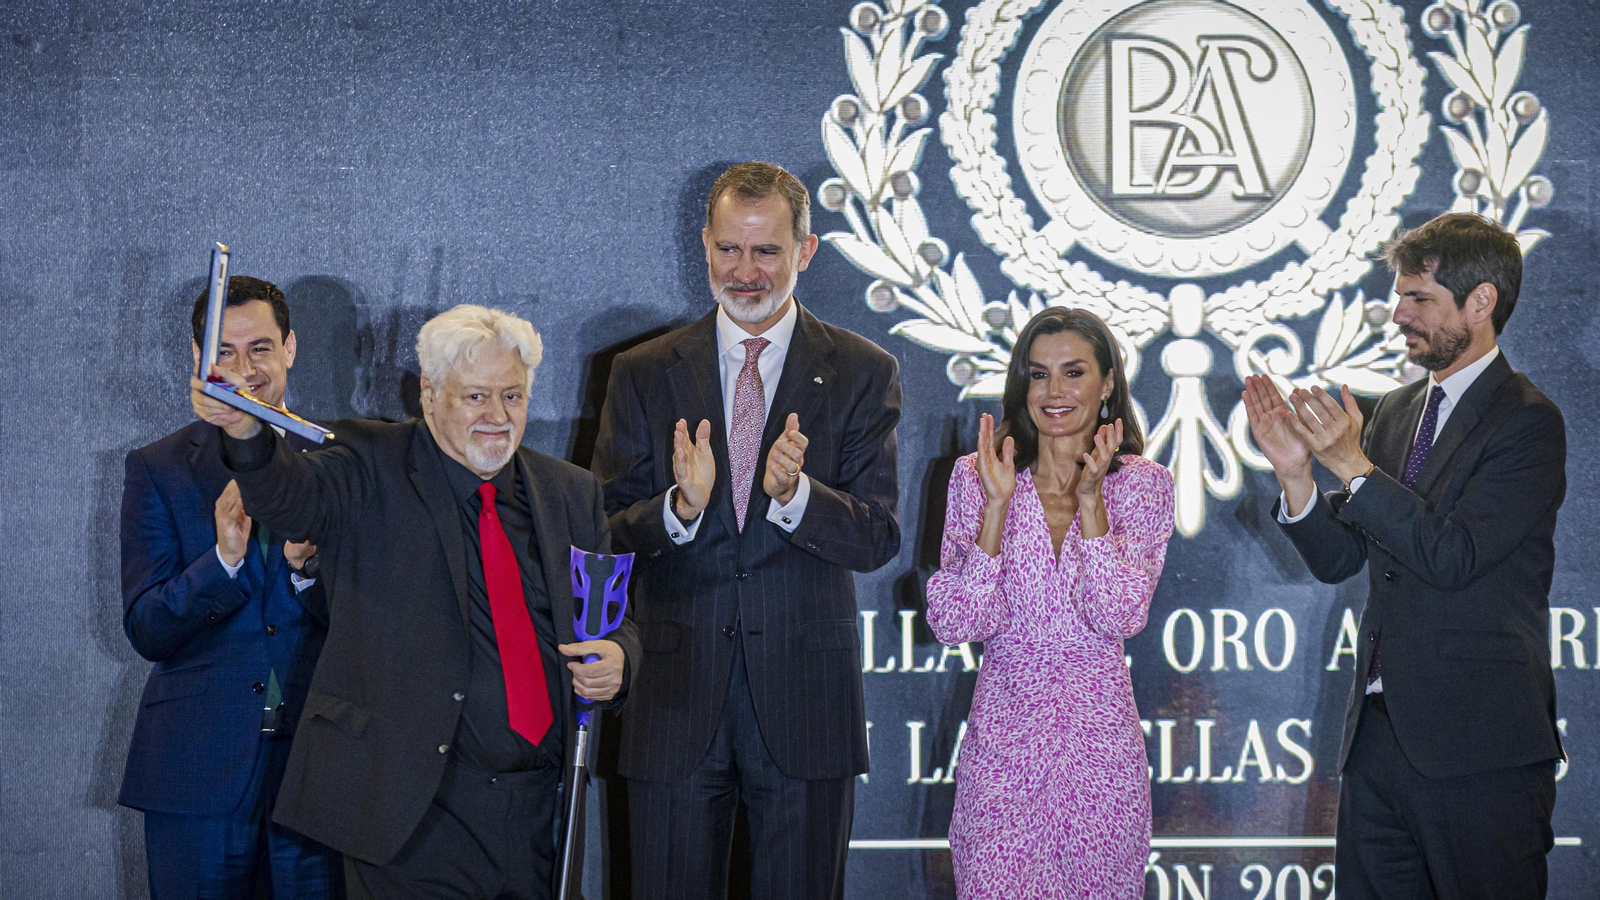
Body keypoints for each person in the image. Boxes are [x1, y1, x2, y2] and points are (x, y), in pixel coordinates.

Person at [189, 303, 640, 900]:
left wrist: (621, 656)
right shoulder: (369, 461)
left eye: (512, 397)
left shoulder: (569, 492)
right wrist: (245, 432)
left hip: (540, 817)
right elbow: (290, 499)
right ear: (429, 394)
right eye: (476, 397)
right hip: (414, 813)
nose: (497, 417)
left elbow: (610, 612)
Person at [592, 160, 901, 900]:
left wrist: (797, 498)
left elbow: (878, 536)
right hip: (672, 701)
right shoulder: (640, 371)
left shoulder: (863, 370)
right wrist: (680, 510)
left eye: (767, 251)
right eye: (730, 249)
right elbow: (601, 530)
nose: (747, 271)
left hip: (806, 708)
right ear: (704, 245)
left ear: (806, 251)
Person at [1243, 211, 1566, 899]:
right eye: (1400, 296)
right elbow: (1340, 560)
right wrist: (1297, 472)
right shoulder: (1392, 412)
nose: (1398, 315)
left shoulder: (1527, 422)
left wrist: (1353, 468)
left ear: (1481, 303)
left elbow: (1453, 556)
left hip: (1482, 750)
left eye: (1419, 298)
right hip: (1379, 745)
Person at [924, 306, 1174, 898]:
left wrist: (1091, 503)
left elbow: (1120, 614)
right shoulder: (979, 475)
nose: (1054, 392)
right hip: (1005, 748)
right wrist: (996, 510)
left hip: (1100, 754)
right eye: (1038, 375)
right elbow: (956, 621)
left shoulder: (1141, 484)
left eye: (1073, 372)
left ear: (1108, 382)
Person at [120, 276, 342, 899]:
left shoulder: (340, 461)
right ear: (198, 358)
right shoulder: (156, 467)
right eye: (225, 351)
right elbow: (147, 627)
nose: (244, 369)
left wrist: (307, 571)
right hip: (195, 775)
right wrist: (223, 561)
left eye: (261, 349)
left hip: (317, 774)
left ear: (291, 348)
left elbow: (380, 620)